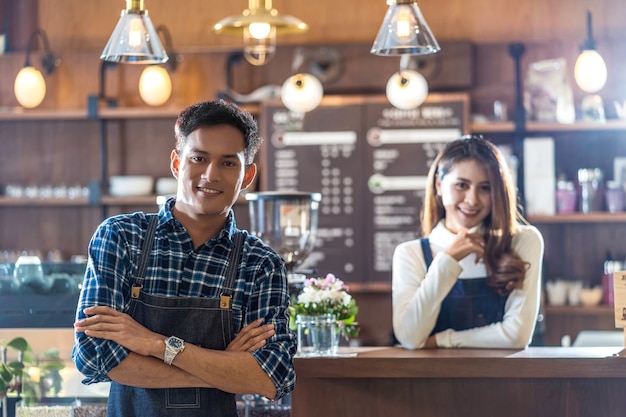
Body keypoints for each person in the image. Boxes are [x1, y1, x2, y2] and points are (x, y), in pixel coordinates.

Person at [72, 99, 296, 416]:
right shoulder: (121, 237)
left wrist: (155, 344)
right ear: (177, 164)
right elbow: (93, 355)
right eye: (199, 158)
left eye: (228, 163)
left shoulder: (260, 263)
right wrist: (225, 372)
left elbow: (274, 375)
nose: (211, 174)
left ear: (248, 176)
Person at [392, 135, 544, 349]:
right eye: (462, 185)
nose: (472, 200)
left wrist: (442, 340)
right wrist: (448, 259)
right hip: (431, 381)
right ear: (439, 184)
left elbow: (516, 336)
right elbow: (409, 337)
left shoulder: (523, 241)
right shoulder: (410, 253)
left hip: (504, 381)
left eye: (485, 188)